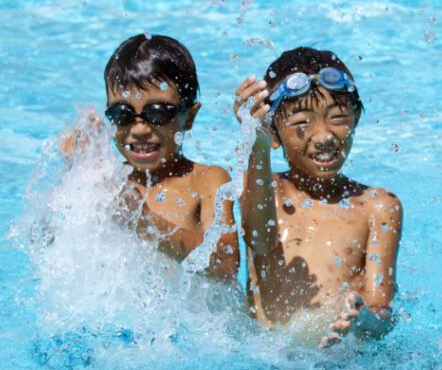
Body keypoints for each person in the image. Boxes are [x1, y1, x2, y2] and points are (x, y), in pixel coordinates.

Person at [234, 47, 401, 346]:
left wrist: (362, 320)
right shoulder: (267, 191)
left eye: (337, 118)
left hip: (344, 364)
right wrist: (255, 143)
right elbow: (257, 237)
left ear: (356, 118)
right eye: (302, 123)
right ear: (273, 133)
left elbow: (381, 314)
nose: (324, 137)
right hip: (269, 362)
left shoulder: (378, 206)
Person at [62, 33, 239, 280]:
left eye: (157, 113)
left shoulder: (206, 180)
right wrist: (75, 172)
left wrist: (144, 221)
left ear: (188, 117)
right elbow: (49, 245)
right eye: (122, 114)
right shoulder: (109, 182)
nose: (140, 129)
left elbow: (226, 265)